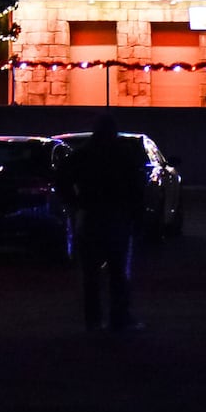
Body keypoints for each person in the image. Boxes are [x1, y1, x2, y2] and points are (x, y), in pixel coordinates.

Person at [60, 114, 146, 331]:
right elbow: (136, 188)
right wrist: (136, 215)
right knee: (118, 272)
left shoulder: (82, 154)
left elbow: (63, 181)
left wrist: (76, 202)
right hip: (116, 216)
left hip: (90, 216)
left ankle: (93, 320)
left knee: (91, 274)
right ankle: (119, 318)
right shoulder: (122, 154)